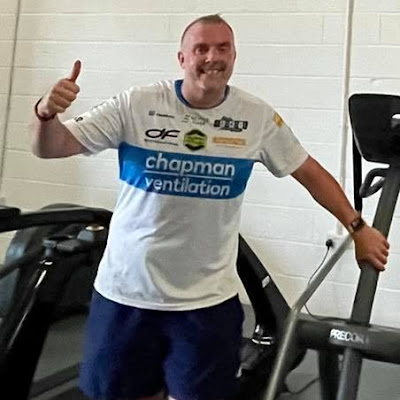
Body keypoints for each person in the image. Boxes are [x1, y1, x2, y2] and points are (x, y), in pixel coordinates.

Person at [30, 14, 389, 400]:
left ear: (234, 56)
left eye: (222, 48)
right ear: (182, 58)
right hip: (125, 295)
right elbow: (50, 147)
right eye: (201, 48)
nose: (212, 57)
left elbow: (309, 172)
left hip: (206, 305)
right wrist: (45, 114)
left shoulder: (256, 117)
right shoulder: (137, 104)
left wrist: (358, 228)